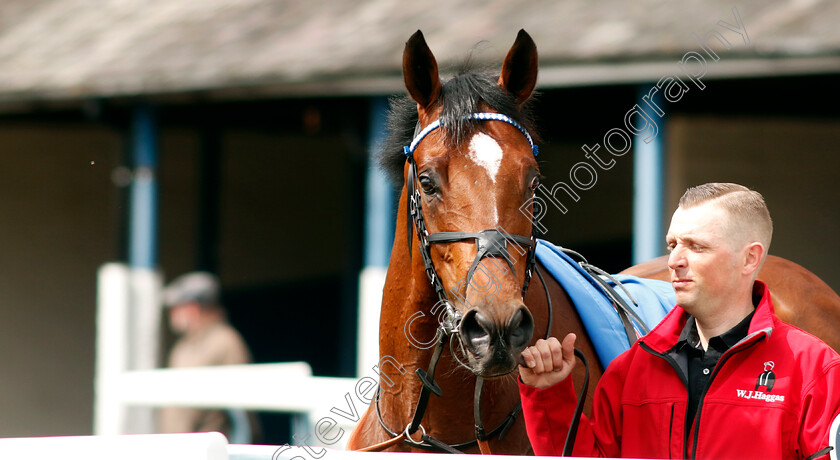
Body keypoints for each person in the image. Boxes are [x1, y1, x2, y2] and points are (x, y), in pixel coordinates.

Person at [518, 183, 840, 459]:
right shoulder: (629, 371)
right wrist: (548, 395)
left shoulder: (816, 370)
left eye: (696, 247)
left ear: (749, 259)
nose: (674, 261)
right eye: (672, 245)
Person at [158, 271, 259, 443]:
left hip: (210, 449)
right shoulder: (183, 346)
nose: (172, 315)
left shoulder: (225, 340)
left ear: (193, 308)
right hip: (178, 447)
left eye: (176, 308)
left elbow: (242, 413)